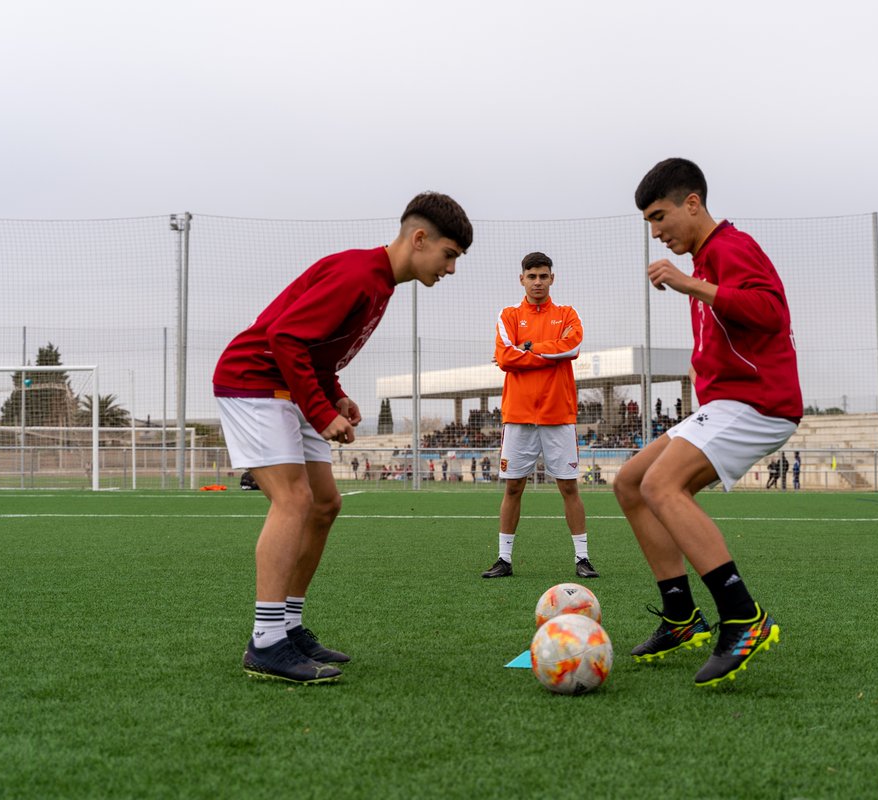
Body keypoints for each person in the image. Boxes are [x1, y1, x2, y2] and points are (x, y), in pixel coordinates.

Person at [213, 191, 472, 684]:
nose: (451, 269)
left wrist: (334, 395)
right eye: (450, 255)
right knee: (293, 500)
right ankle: (266, 642)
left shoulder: (380, 283)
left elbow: (318, 349)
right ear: (419, 239)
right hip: (253, 382)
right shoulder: (359, 275)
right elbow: (285, 337)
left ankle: (288, 628)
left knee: (325, 504)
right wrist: (317, 408)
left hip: (290, 387)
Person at [614, 158, 801, 688]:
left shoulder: (730, 248)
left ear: (692, 203)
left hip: (760, 402)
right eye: (649, 222)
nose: (656, 232)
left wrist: (691, 285)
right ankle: (681, 616)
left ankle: (743, 617)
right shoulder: (704, 258)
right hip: (725, 403)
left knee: (661, 484)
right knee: (630, 483)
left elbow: (771, 313)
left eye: (659, 217)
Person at [481, 251, 599, 580]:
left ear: (552, 278)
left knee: (569, 487)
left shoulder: (567, 314)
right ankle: (504, 559)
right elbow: (504, 356)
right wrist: (547, 351)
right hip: (518, 416)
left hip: (558, 415)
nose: (537, 282)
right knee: (513, 487)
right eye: (531, 276)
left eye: (543, 276)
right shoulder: (507, 315)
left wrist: (528, 348)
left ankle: (583, 558)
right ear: (522, 279)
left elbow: (571, 348)